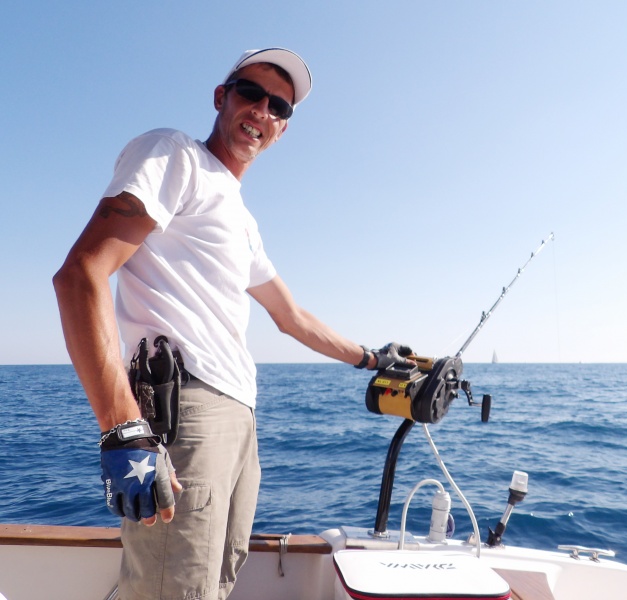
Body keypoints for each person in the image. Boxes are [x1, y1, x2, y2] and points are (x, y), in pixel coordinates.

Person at [53, 48, 413, 600]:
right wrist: (123, 425)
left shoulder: (242, 220)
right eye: (251, 92)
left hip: (240, 418)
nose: (262, 111)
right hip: (188, 413)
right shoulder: (175, 155)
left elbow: (291, 318)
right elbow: (80, 275)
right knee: (176, 587)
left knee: (215, 581)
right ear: (222, 97)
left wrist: (372, 357)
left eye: (280, 107)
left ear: (283, 129)